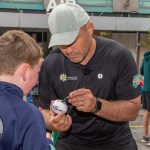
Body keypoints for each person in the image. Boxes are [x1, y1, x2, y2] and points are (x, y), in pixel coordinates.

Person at [39, 3, 141, 150]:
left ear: (90, 28)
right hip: (70, 142)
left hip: (116, 142)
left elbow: (133, 110)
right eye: (61, 43)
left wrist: (97, 105)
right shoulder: (51, 63)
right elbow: (43, 110)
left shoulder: (119, 56)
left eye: (72, 40)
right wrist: (52, 122)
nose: (68, 49)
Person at [0, 30, 54, 150]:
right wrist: (47, 141)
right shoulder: (27, 114)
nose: (37, 80)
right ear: (25, 72)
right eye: (38, 72)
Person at [140, 50, 150, 146]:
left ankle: (145, 136)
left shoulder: (146, 56)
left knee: (147, 111)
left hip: (147, 88)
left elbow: (141, 71)